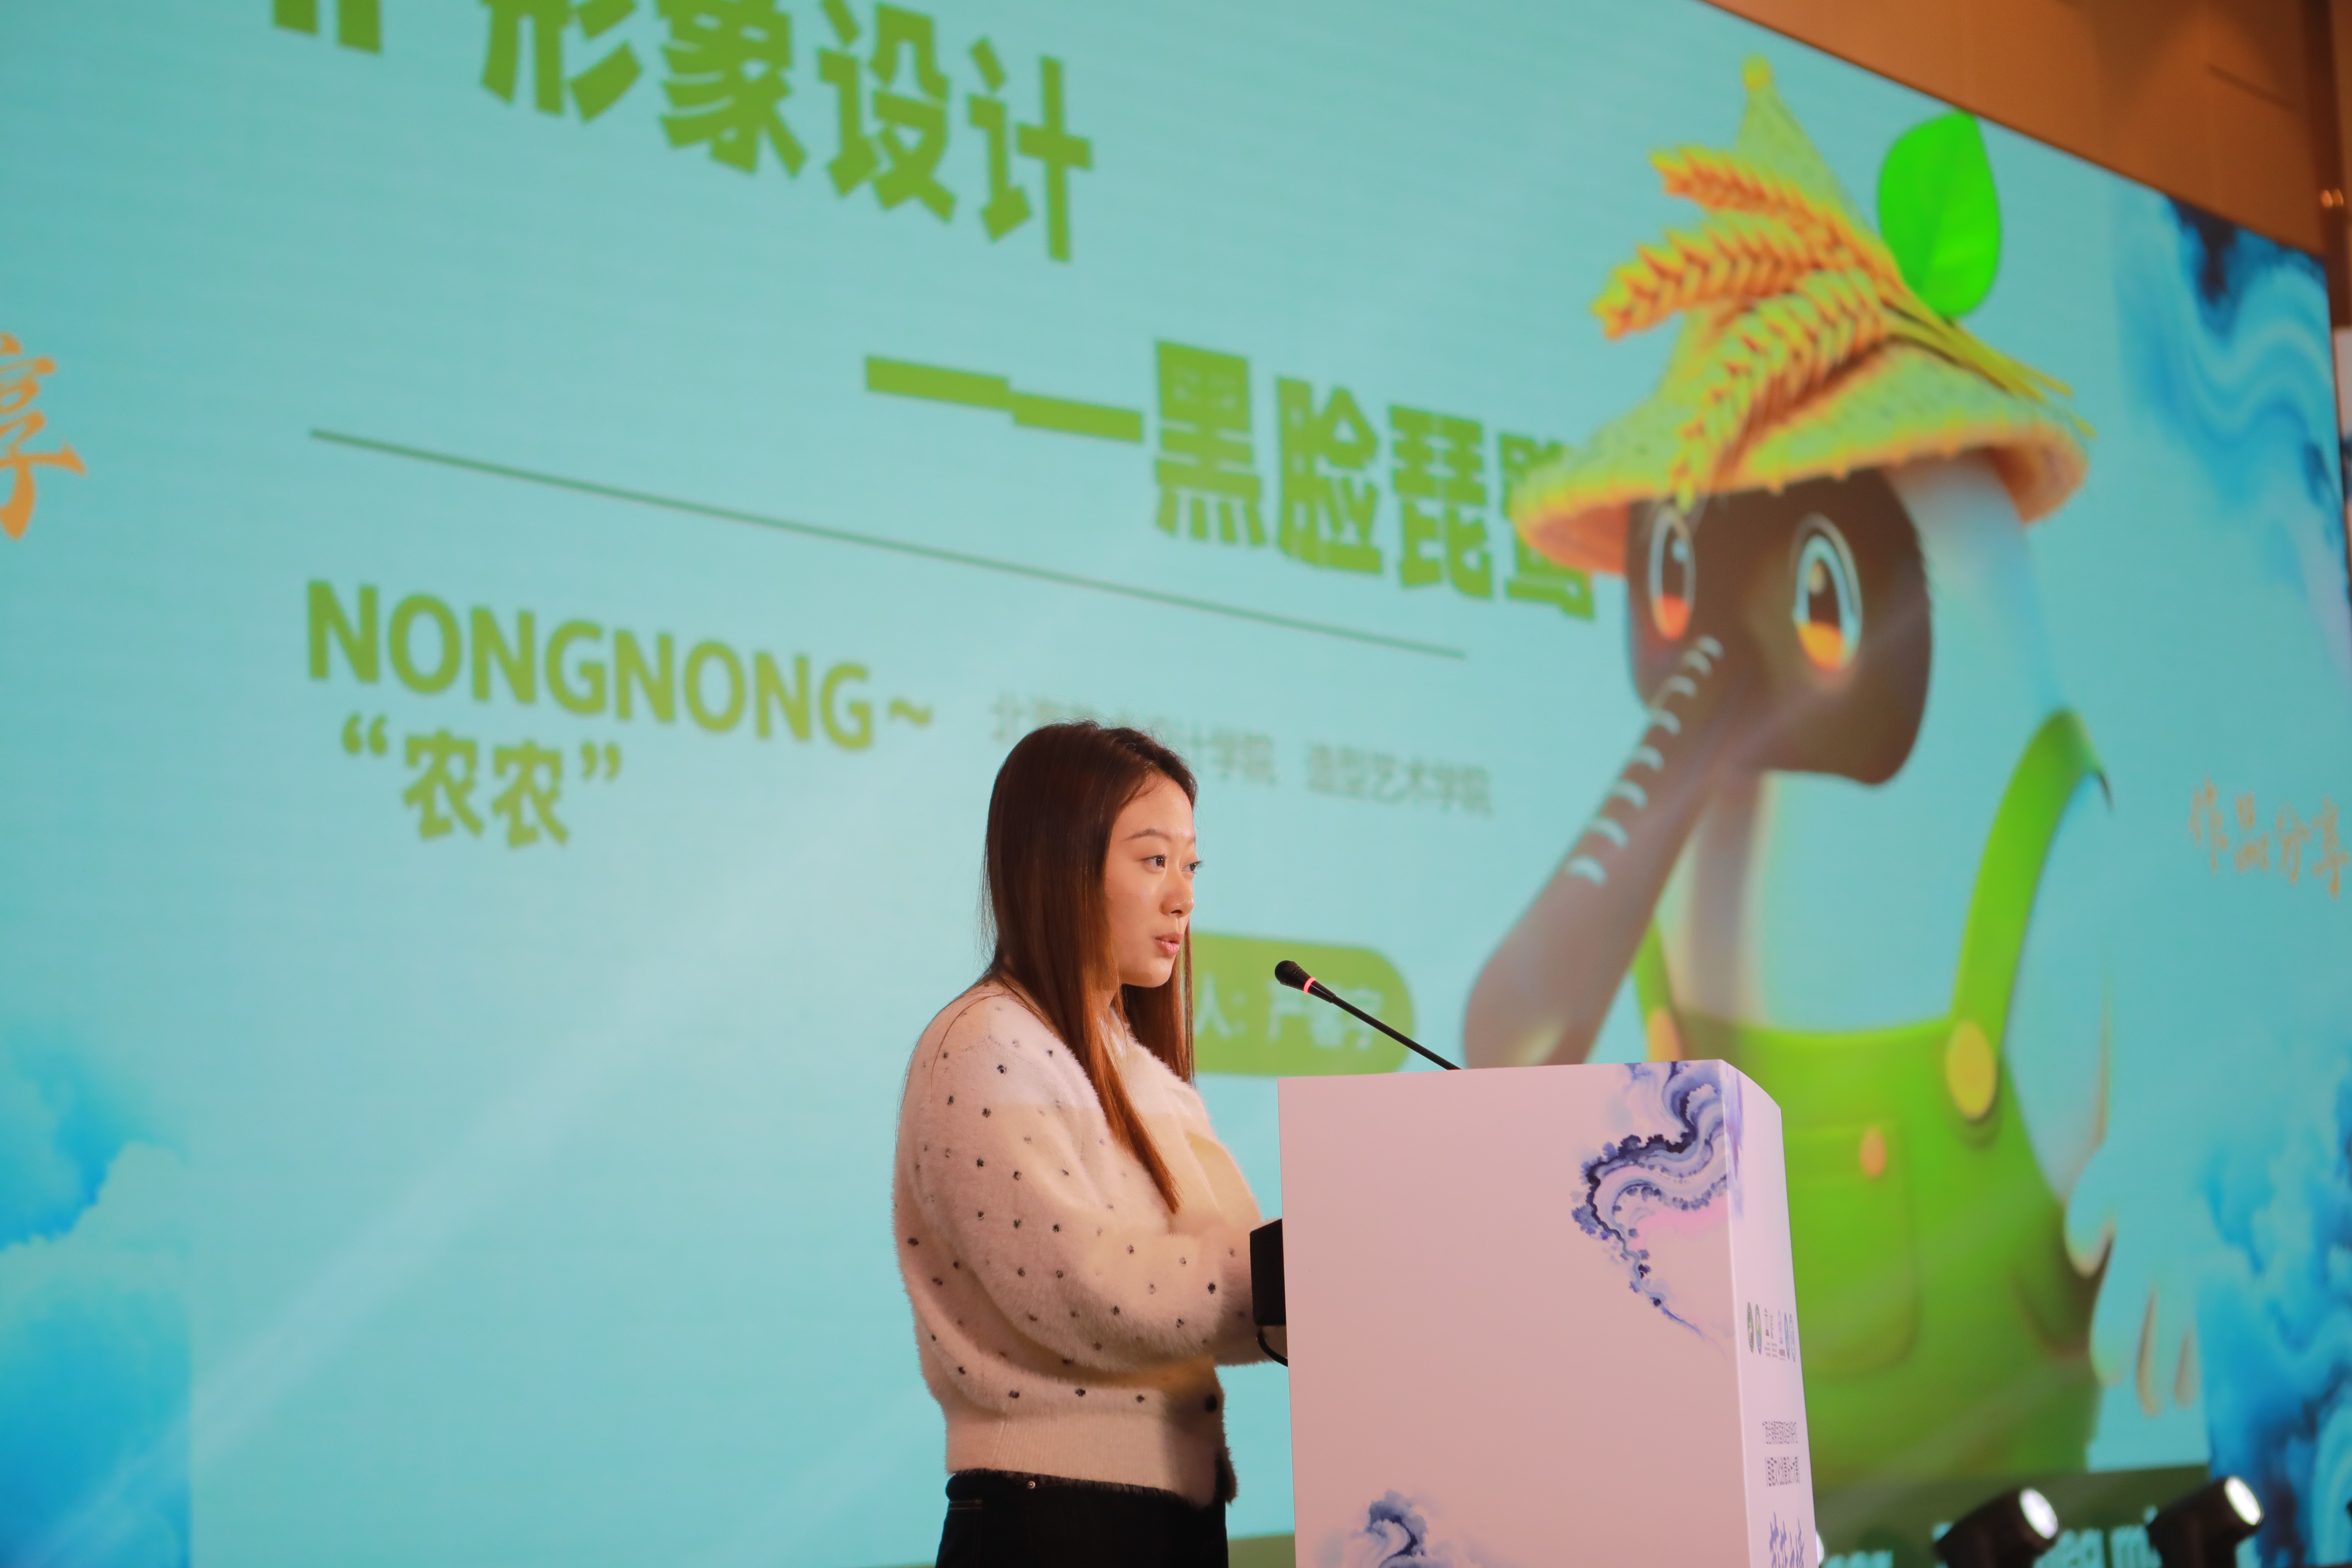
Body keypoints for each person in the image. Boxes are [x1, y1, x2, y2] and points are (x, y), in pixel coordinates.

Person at [895, 722, 1266, 1568]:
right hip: (1054, 1520)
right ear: (1060, 864)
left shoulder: (1141, 1071)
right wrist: (1294, 1269)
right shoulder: (986, 1041)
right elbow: (1087, 1287)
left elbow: (1232, 1280)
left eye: (1191, 865)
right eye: (1154, 859)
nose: (1183, 897)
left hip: (1174, 1519)